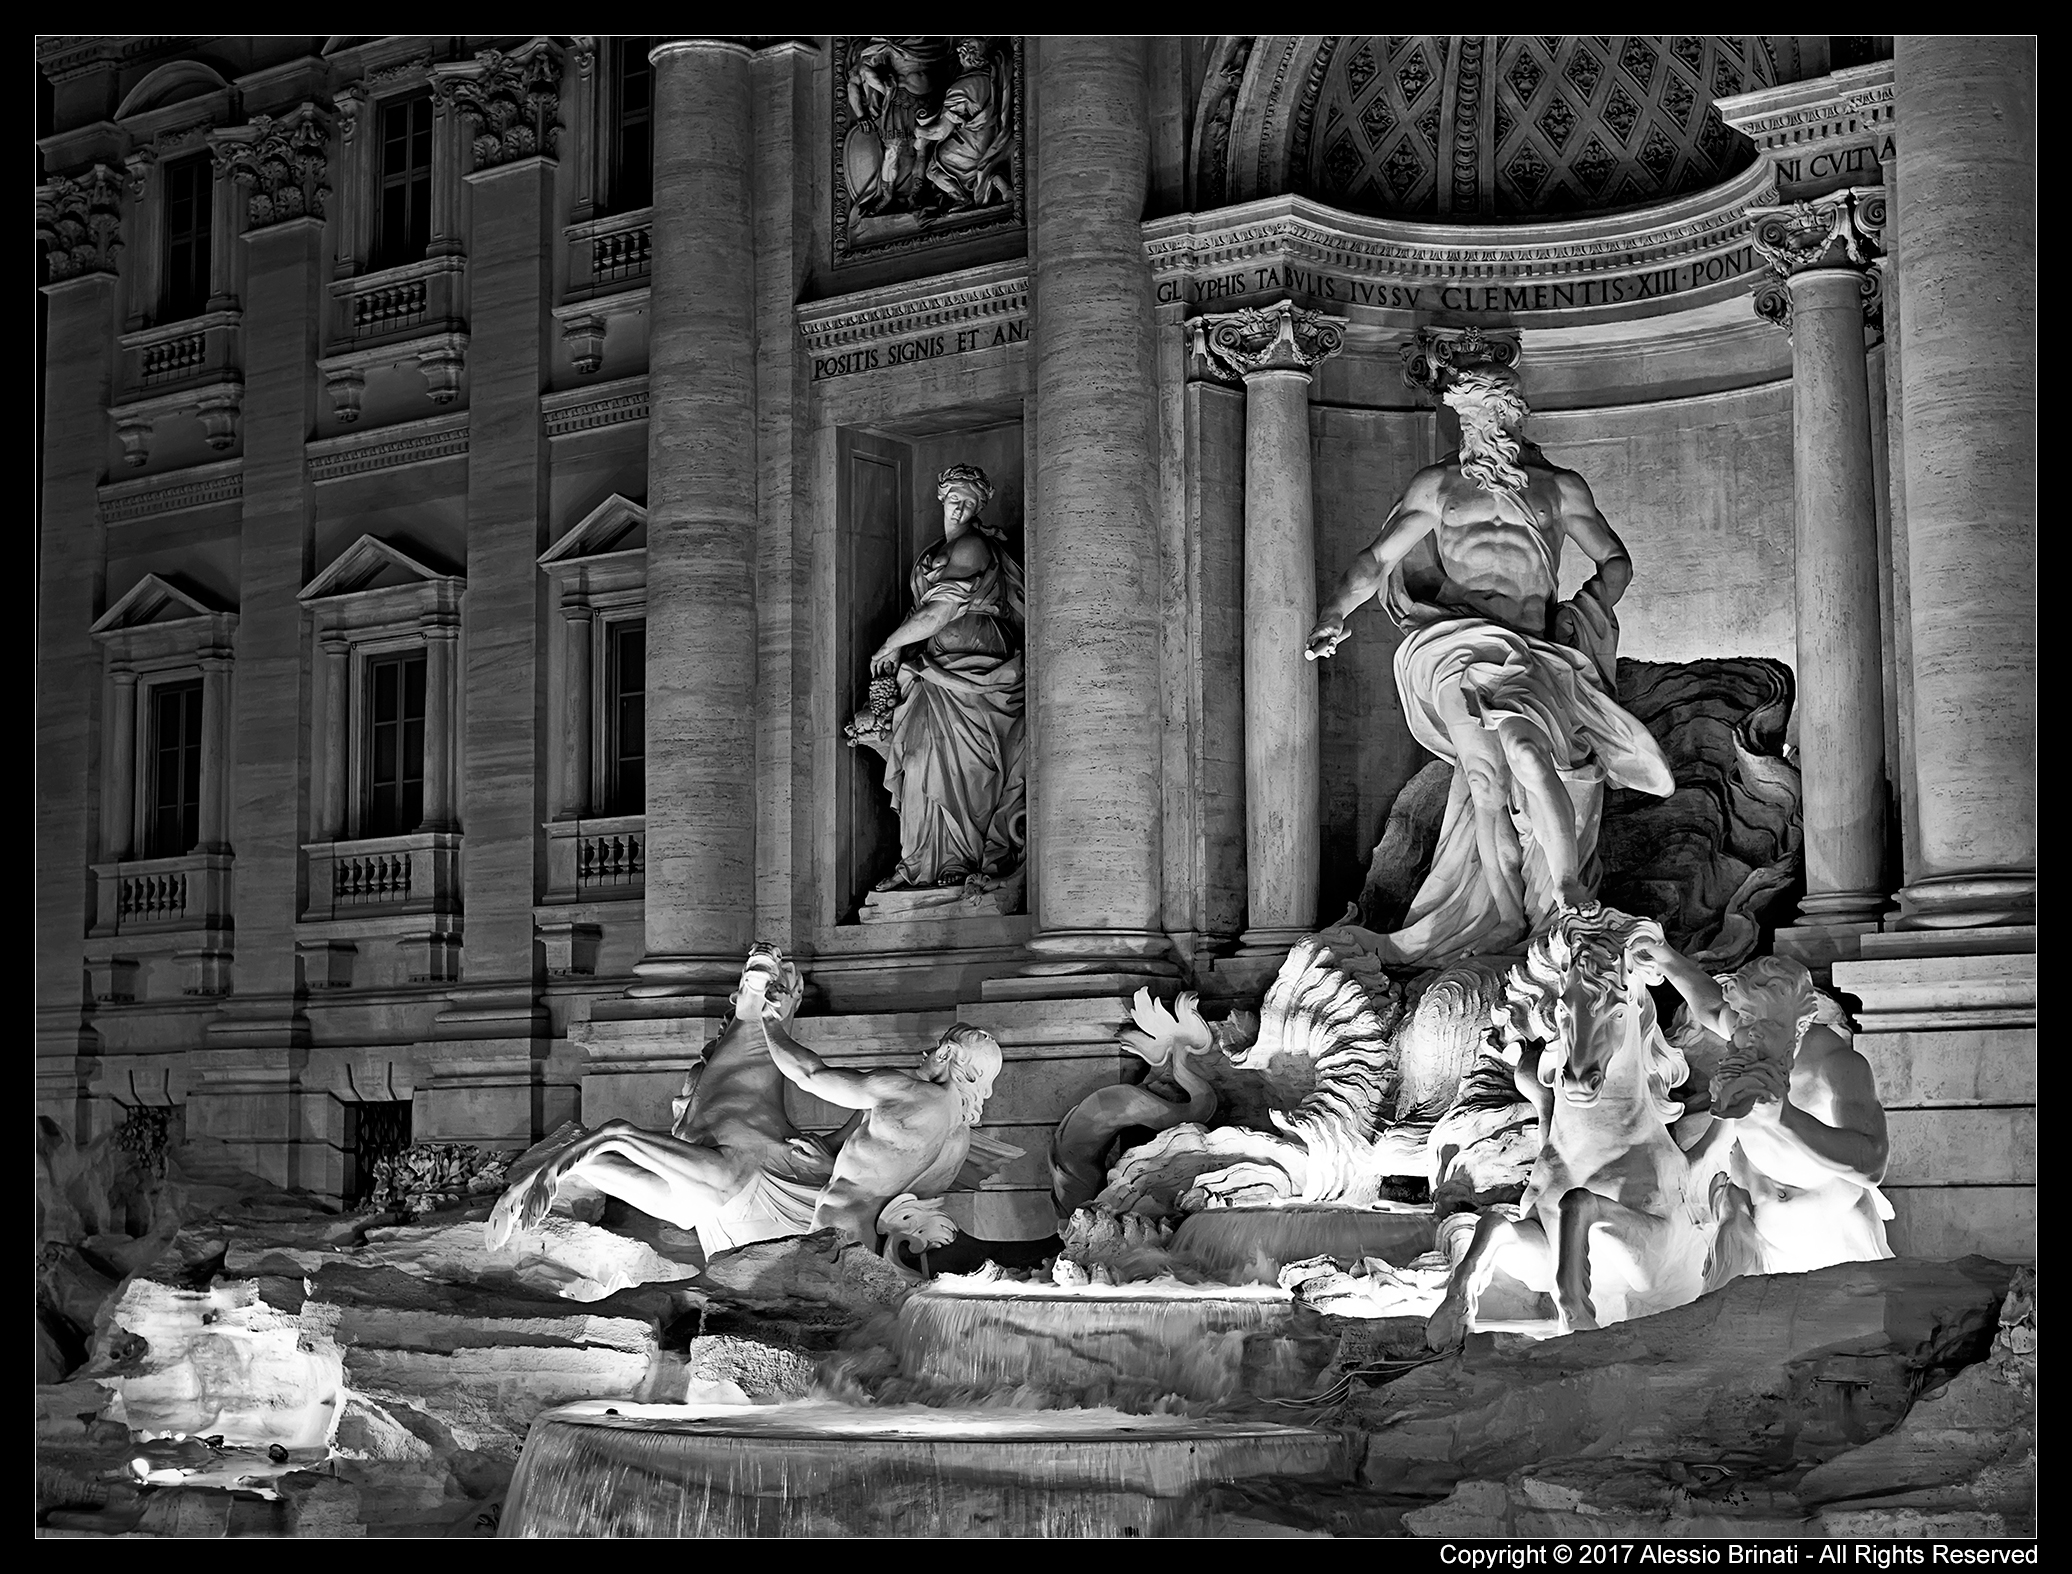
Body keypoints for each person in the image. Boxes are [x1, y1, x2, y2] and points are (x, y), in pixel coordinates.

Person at [1307, 363, 1674, 966]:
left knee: (1528, 751)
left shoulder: (1559, 488)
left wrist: (1587, 608)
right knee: (1484, 783)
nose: (1470, 430)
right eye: (1464, 419)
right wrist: (1334, 612)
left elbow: (1615, 561)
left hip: (1530, 652)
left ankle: (1566, 888)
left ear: (1508, 414)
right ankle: (1505, 918)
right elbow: (1376, 560)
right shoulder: (1437, 486)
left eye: (1478, 416)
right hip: (1457, 646)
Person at [1634, 941, 1894, 1278]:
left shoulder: (1838, 1066)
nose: (1746, 1036)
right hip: (1758, 1229)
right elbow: (1710, 1006)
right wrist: (1664, 956)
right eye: (1742, 1021)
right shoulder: (1750, 1033)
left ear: (1800, 1026)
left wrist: (1786, 1119)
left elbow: (1870, 1164)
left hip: (1832, 1236)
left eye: (1764, 1028)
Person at [743, 948, 1006, 1248]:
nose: (928, 1053)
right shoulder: (959, 1140)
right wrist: (830, 1166)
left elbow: (810, 1075)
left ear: (947, 1054)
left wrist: (770, 1021)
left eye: (936, 1047)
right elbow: (894, 1191)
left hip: (835, 1234)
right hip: (870, 1243)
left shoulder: (910, 1094)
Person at [851, 463, 1026, 892]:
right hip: (933, 671)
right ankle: (918, 862)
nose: (960, 507)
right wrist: (902, 650)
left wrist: (889, 644)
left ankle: (960, 859)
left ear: (980, 507)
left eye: (970, 501)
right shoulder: (935, 551)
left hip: (976, 671)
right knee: (916, 761)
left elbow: (942, 610)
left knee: (967, 768)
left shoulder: (973, 547)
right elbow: (924, 615)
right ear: (941, 496)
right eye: (955, 497)